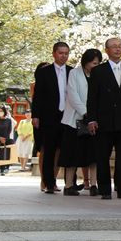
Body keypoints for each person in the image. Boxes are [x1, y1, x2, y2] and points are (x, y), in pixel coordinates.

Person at [86, 37, 121, 200]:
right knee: (102, 155)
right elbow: (92, 98)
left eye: (120, 46)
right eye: (114, 47)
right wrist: (91, 119)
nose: (118, 49)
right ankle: (104, 189)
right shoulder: (98, 71)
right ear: (107, 50)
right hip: (104, 120)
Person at [60, 48, 102, 196]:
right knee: (71, 154)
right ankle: (69, 185)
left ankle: (94, 184)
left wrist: (93, 116)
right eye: (92, 62)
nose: (94, 66)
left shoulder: (99, 76)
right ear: (86, 61)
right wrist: (86, 113)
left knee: (93, 155)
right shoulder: (74, 73)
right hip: (74, 120)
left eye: (97, 63)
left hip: (94, 121)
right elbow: (73, 96)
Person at [32, 42, 72, 194]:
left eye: (66, 53)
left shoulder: (72, 72)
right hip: (49, 116)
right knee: (48, 150)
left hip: (67, 115)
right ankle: (48, 182)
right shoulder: (44, 72)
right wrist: (36, 115)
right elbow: (38, 96)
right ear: (54, 53)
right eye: (61, 53)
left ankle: (68, 183)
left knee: (64, 150)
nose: (64, 56)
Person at [0, 106, 15, 176]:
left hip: (6, 139)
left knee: (3, 155)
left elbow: (9, 130)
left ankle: (2, 170)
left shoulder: (8, 120)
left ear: (4, 111)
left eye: (1, 111)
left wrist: (5, 138)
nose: (0, 112)